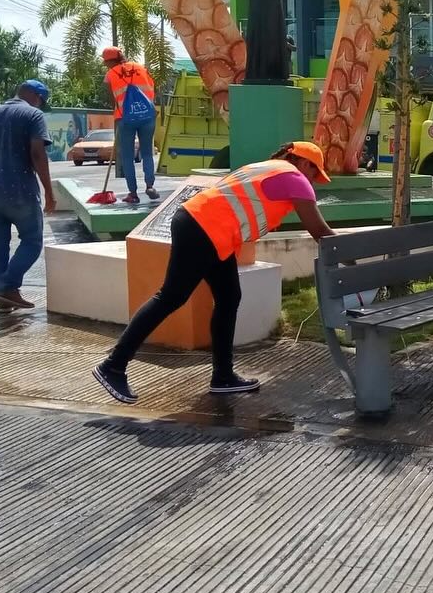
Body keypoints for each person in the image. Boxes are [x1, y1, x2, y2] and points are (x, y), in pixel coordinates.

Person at [92, 141, 338, 403]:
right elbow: (319, 231)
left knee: (228, 297)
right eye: (314, 174)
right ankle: (113, 366)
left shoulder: (268, 167)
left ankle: (223, 377)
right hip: (203, 229)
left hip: (205, 228)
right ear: (304, 163)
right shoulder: (294, 178)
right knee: (171, 297)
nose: (312, 182)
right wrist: (349, 255)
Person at [0, 80, 57, 312]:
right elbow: (37, 153)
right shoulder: (34, 115)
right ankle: (7, 286)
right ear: (35, 96)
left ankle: (4, 298)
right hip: (20, 191)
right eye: (41, 101)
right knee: (32, 241)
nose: (40, 105)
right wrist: (49, 192)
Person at [102, 47, 158, 204]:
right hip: (147, 116)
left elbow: (111, 99)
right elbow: (152, 88)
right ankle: (150, 186)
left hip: (125, 119)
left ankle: (133, 194)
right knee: (147, 153)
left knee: (127, 156)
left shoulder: (110, 74)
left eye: (105, 62)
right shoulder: (141, 68)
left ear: (110, 61)